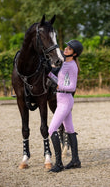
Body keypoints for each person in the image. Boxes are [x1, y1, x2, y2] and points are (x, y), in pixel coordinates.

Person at [48, 39, 83, 173]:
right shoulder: (64, 64)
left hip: (65, 100)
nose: (66, 49)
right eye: (66, 47)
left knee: (51, 130)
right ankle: (75, 160)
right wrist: (49, 74)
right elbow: (60, 81)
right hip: (62, 98)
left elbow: (71, 86)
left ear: (74, 54)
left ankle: (59, 164)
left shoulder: (72, 66)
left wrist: (58, 85)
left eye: (69, 48)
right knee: (69, 129)